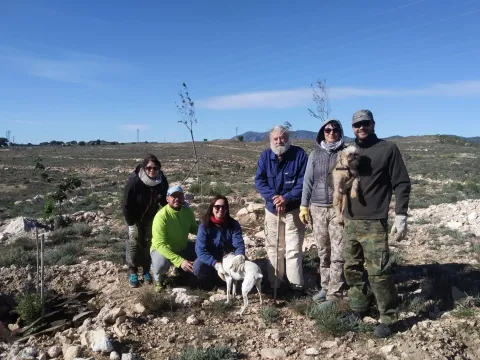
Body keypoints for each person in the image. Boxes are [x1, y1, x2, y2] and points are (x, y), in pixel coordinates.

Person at [344, 109, 411, 338]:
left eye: (365, 124)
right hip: (349, 220)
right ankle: (359, 307)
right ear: (352, 127)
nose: (360, 128)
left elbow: (402, 183)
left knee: (379, 272)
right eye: (356, 125)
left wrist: (401, 215)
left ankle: (389, 318)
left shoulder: (387, 149)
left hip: (374, 221)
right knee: (351, 268)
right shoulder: (347, 150)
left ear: (373, 124)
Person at [254, 125, 308, 295]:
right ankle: (275, 283)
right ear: (271, 140)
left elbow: (304, 182)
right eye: (275, 138)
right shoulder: (265, 156)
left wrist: (287, 197)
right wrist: (274, 197)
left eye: (282, 137)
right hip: (272, 210)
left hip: (292, 210)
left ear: (288, 138)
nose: (279, 141)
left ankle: (295, 286)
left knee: (293, 249)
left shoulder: (299, 155)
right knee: (274, 248)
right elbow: (259, 181)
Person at [299, 119, 346, 304]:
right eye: (327, 130)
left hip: (338, 209)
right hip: (317, 208)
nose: (331, 132)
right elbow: (307, 182)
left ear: (339, 132)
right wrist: (304, 206)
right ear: (322, 133)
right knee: (323, 251)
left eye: (335, 129)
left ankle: (336, 292)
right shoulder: (315, 155)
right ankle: (325, 287)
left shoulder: (345, 152)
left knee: (338, 252)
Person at [123, 154, 168, 288]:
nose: (152, 171)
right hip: (134, 216)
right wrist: (131, 224)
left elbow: (164, 199)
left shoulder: (161, 181)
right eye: (148, 168)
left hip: (151, 216)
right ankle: (133, 271)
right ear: (144, 168)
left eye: (155, 168)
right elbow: (126, 204)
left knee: (149, 242)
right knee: (134, 241)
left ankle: (147, 269)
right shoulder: (135, 181)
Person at [150, 185, 199, 292]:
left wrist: (206, 233)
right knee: (161, 265)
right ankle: (159, 279)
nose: (177, 199)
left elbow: (193, 228)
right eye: (173, 196)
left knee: (200, 250)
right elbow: (160, 244)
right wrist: (180, 261)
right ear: (167, 198)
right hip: (162, 250)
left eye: (180, 195)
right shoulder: (161, 216)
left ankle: (181, 272)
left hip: (182, 246)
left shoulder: (187, 212)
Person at [195, 195, 246, 288]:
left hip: (228, 257)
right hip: (211, 258)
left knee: (243, 265)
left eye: (223, 207)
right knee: (198, 266)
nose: (220, 209)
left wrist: (238, 257)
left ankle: (226, 282)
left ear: (227, 209)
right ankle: (208, 283)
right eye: (217, 207)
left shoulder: (233, 224)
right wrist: (215, 263)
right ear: (212, 208)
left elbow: (239, 245)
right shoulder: (204, 226)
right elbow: (200, 250)